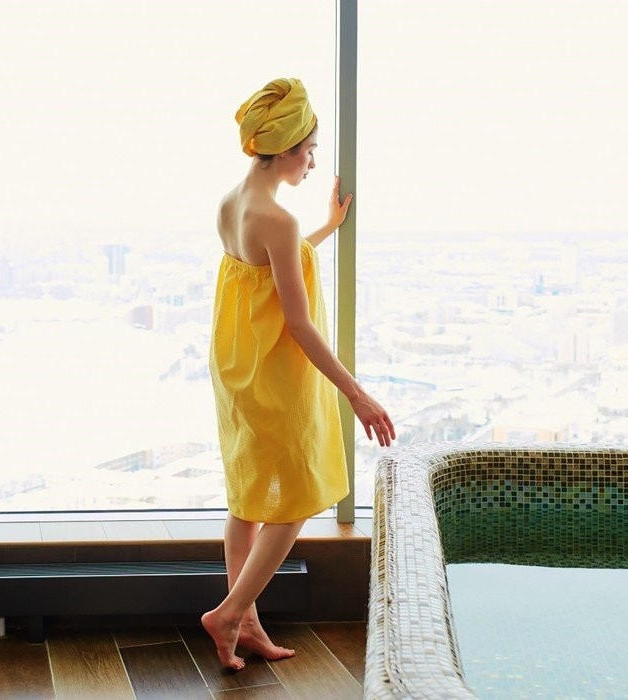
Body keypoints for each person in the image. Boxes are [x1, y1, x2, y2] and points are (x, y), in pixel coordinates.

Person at [202, 77, 395, 670]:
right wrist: (358, 395)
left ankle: (246, 623)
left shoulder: (232, 204)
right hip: (276, 379)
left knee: (247, 500)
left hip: (237, 369)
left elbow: (267, 265)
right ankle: (229, 613)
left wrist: (327, 228)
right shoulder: (278, 221)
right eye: (309, 151)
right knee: (293, 504)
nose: (312, 163)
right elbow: (299, 323)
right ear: (284, 148)